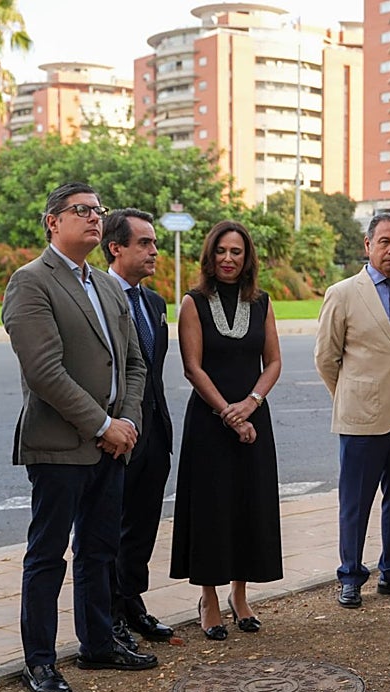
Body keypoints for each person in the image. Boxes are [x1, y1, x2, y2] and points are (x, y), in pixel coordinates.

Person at [2, 182, 157, 692]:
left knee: (99, 549)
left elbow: (135, 363)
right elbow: (44, 371)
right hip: (60, 445)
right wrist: (101, 425)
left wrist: (126, 422)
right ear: (52, 221)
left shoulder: (108, 286)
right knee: (48, 554)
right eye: (82, 211)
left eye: (98, 211)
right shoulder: (31, 283)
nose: (95, 218)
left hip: (113, 443)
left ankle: (97, 644)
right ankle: (40, 660)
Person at [170, 220, 283, 639]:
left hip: (254, 413)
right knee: (211, 509)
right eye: (221, 251)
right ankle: (210, 597)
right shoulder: (193, 302)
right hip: (209, 421)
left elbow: (272, 361)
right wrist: (228, 413)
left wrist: (250, 404)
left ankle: (240, 593)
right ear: (209, 256)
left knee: (248, 505)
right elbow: (192, 367)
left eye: (236, 252)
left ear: (247, 257)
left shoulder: (262, 301)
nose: (229, 259)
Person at [315, 213, 390, 610]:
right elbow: (326, 358)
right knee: (356, 500)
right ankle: (350, 575)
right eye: (384, 242)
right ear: (368, 245)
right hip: (362, 416)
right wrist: (350, 394)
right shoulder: (344, 293)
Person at [100, 208, 176, 648]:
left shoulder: (153, 302)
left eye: (154, 243)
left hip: (155, 431)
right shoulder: (97, 295)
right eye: (144, 243)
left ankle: (133, 603)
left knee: (143, 525)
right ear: (116, 248)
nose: (154, 251)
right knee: (110, 527)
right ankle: (108, 616)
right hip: (116, 431)